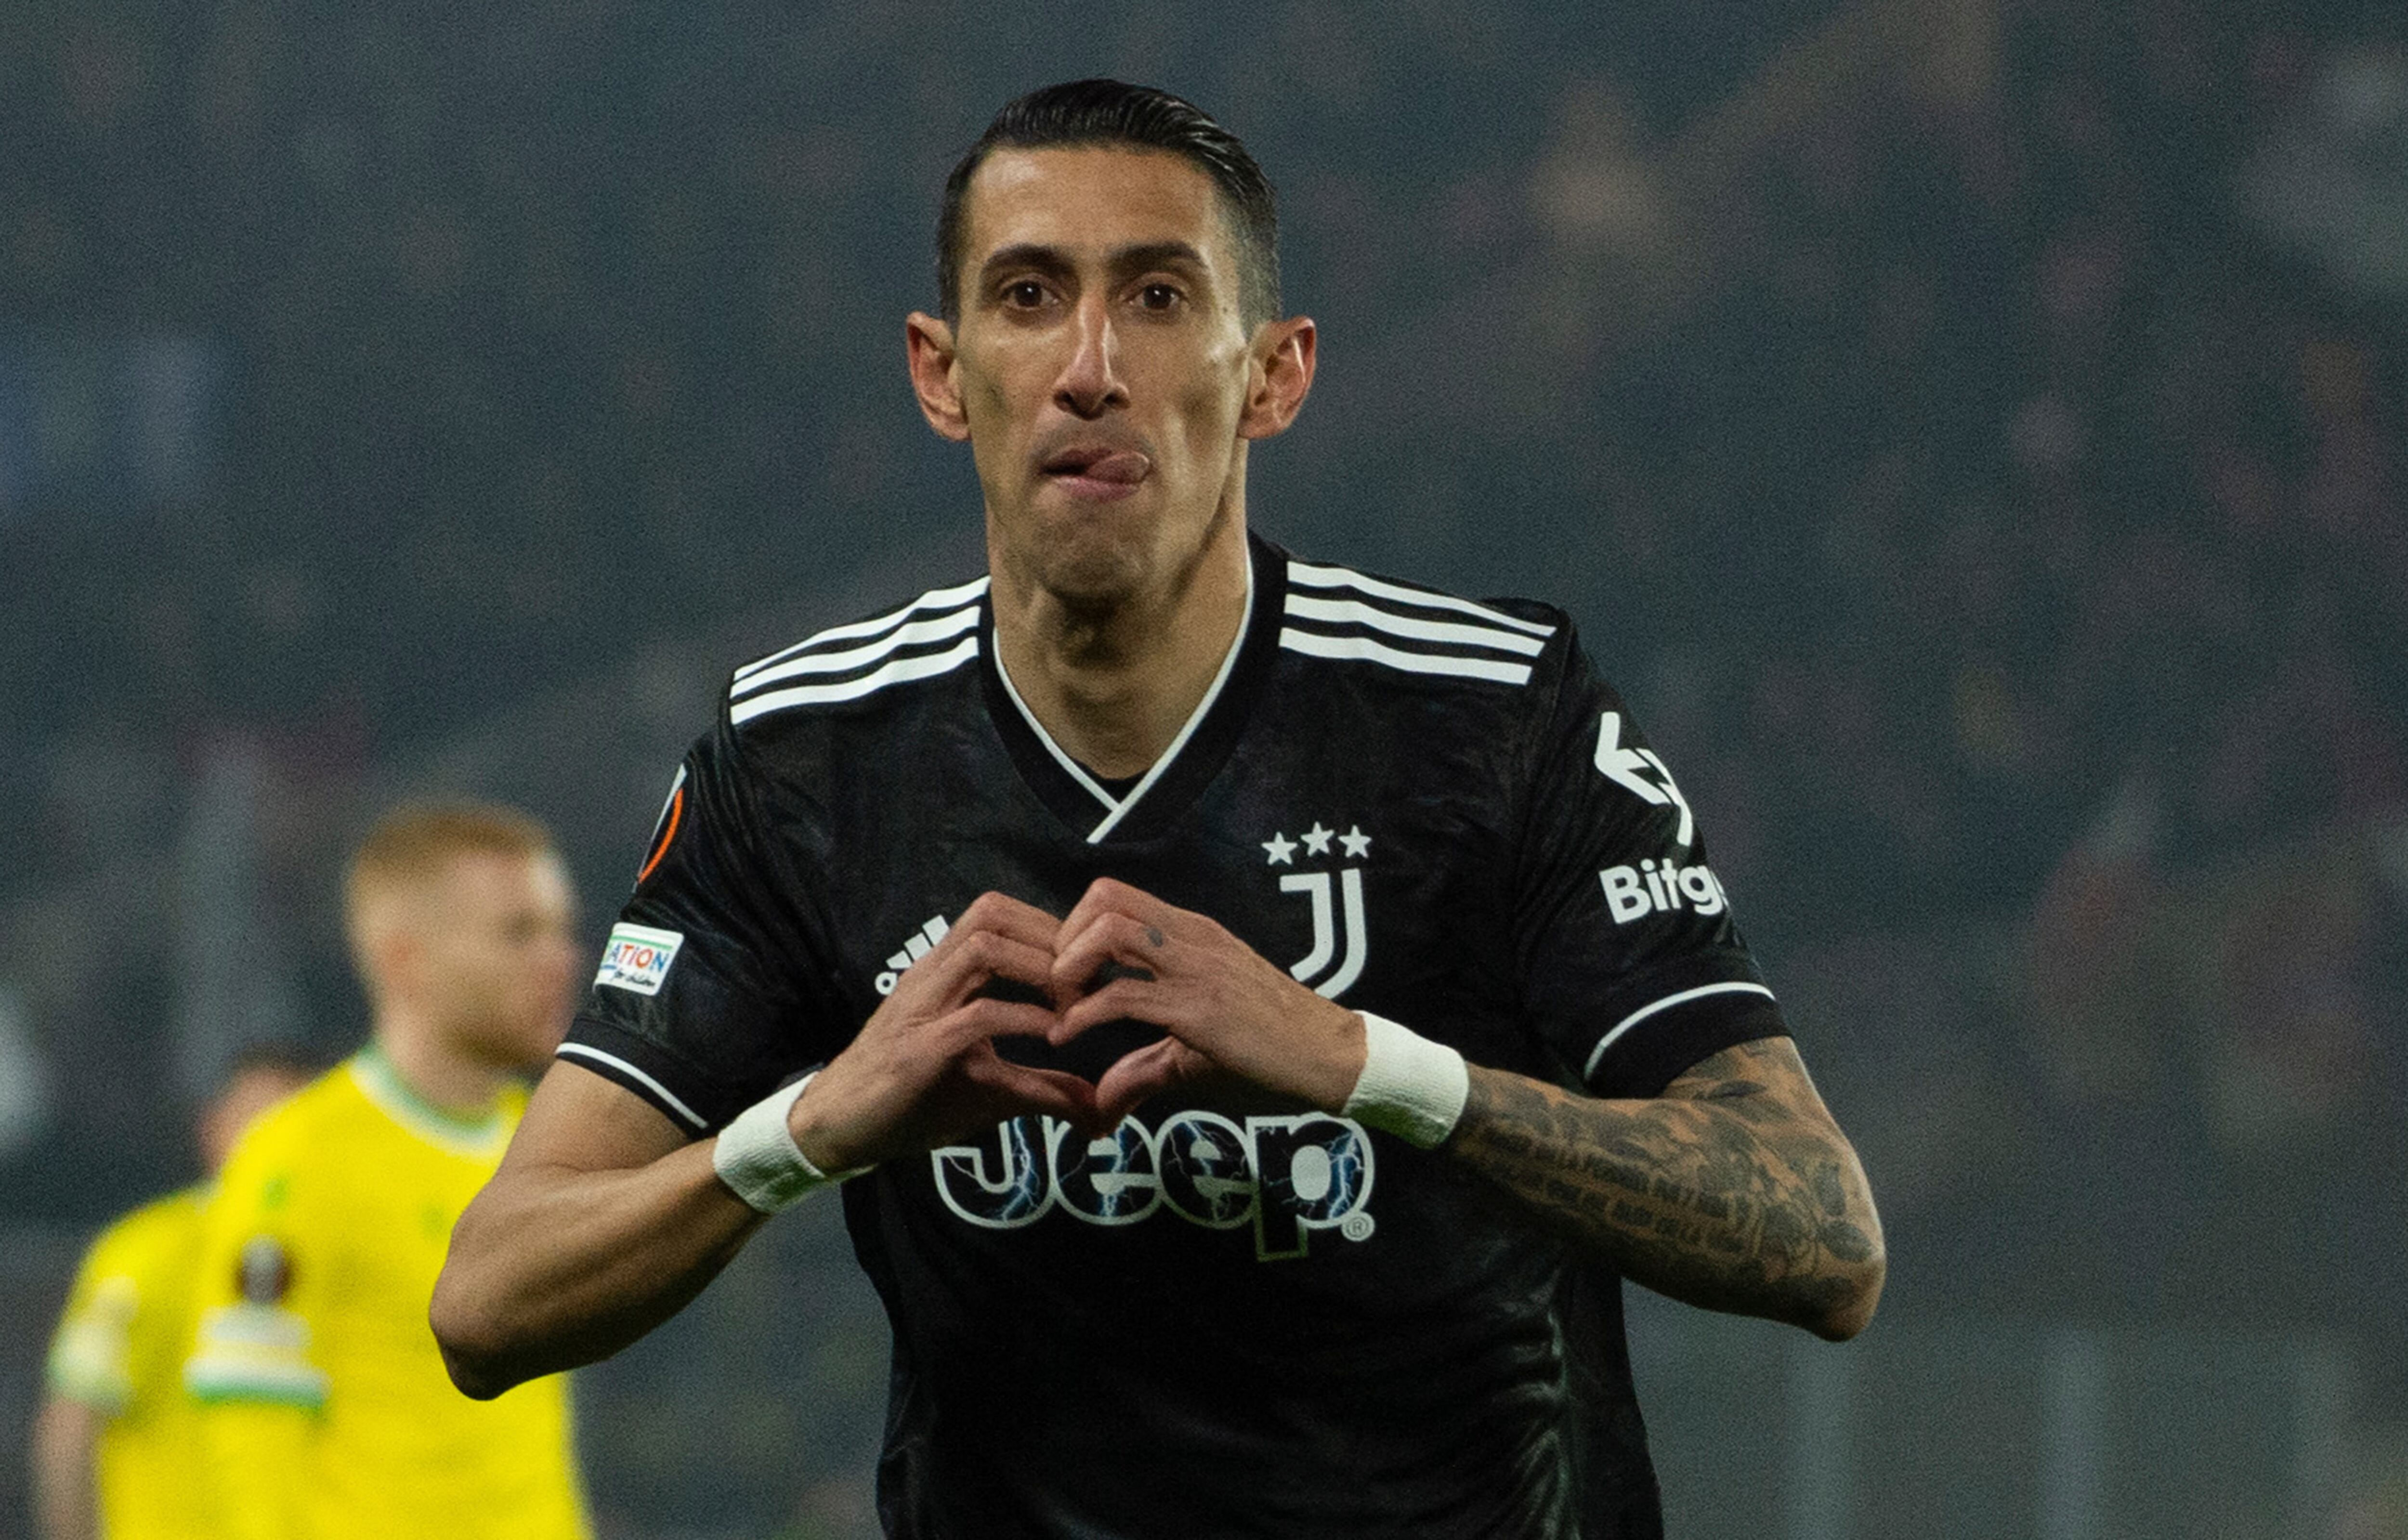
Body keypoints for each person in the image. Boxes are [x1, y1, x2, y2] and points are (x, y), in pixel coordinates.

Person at [432, 79, 1885, 1537]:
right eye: (1025, 296)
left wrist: (1360, 1062)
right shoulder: (804, 764)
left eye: (1155, 296)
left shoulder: (1492, 717)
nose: (1088, 366)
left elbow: (1822, 1237)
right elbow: (490, 1299)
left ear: (1271, 372)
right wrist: (818, 1120)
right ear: (941, 375)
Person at [185, 802, 591, 1539]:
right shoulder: (297, 1160)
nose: (561, 958)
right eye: (518, 931)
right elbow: (250, 1439)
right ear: (405, 959)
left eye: (563, 928)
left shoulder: (541, 1143)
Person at [32, 1048, 315, 1540]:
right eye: (256, 1120)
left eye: (295, 1126)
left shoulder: (345, 1256)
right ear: (212, 1129)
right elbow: (74, 1422)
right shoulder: (146, 1255)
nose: (274, 1143)